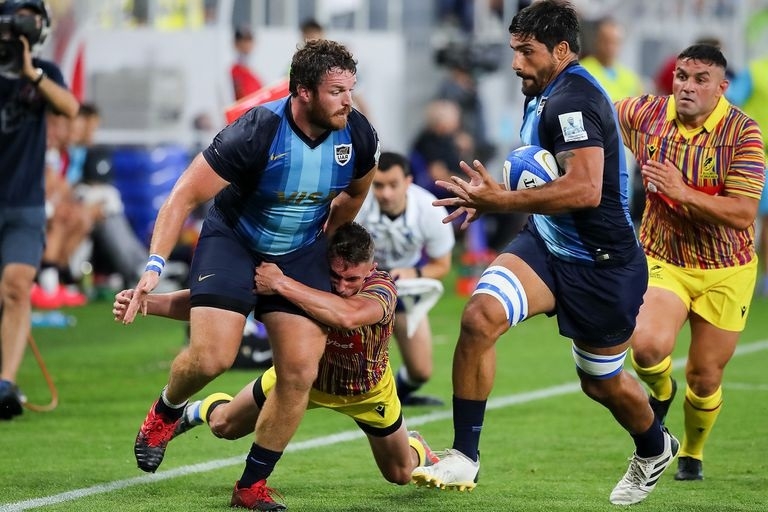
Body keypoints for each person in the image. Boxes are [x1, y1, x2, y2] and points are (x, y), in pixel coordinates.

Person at [411, 2, 678, 506]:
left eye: (526, 52)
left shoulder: (573, 99)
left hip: (601, 265)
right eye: (514, 50)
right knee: (478, 318)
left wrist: (501, 201)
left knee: (601, 383)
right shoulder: (542, 92)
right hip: (547, 244)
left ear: (561, 51)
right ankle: (464, 455)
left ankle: (654, 446)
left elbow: (585, 189)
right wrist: (495, 201)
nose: (516, 63)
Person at [124, 39, 379, 510]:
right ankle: (165, 411)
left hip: (301, 249)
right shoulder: (257, 131)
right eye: (337, 91)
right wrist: (154, 266)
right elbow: (182, 196)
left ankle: (251, 486)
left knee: (299, 371)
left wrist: (324, 242)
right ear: (303, 92)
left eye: (351, 89)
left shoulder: (358, 135)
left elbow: (356, 195)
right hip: (235, 241)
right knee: (212, 358)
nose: (349, 101)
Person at [113, 222, 439, 509]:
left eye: (351, 278)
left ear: (370, 268)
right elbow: (219, 301)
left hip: (367, 391)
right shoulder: (311, 276)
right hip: (298, 380)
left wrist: (281, 284)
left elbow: (347, 315)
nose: (341, 286)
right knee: (223, 427)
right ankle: (195, 411)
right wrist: (147, 303)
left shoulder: (381, 288)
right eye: (335, 276)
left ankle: (415, 445)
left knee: (400, 474)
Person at [616, 44, 765, 482]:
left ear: (722, 88)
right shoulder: (646, 114)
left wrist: (682, 192)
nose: (687, 86)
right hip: (664, 258)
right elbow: (594, 114)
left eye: (701, 80)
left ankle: (692, 453)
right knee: (646, 348)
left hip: (727, 269)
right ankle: (661, 394)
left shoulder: (743, 133)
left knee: (704, 377)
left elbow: (743, 213)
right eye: (682, 76)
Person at [0, 0, 79, 420]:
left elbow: (69, 107)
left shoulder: (44, 72)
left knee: (16, 286)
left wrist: (30, 72)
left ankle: (5, 384)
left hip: (24, 203)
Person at [355, 152, 454, 406]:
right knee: (353, 364)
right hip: (359, 287)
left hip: (404, 287)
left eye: (393, 185)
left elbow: (442, 265)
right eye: (378, 185)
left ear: (408, 181)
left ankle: (396, 394)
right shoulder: (357, 204)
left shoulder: (430, 209)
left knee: (420, 371)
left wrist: (414, 273)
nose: (386, 193)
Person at [726, 55, 768, 296]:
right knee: (745, 217)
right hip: (756, 158)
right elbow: (731, 100)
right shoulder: (755, 72)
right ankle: (741, 270)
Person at [231, 24, 264, 100]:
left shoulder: (256, 71)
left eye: (249, 40)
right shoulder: (232, 71)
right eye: (243, 40)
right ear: (236, 43)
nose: (246, 44)